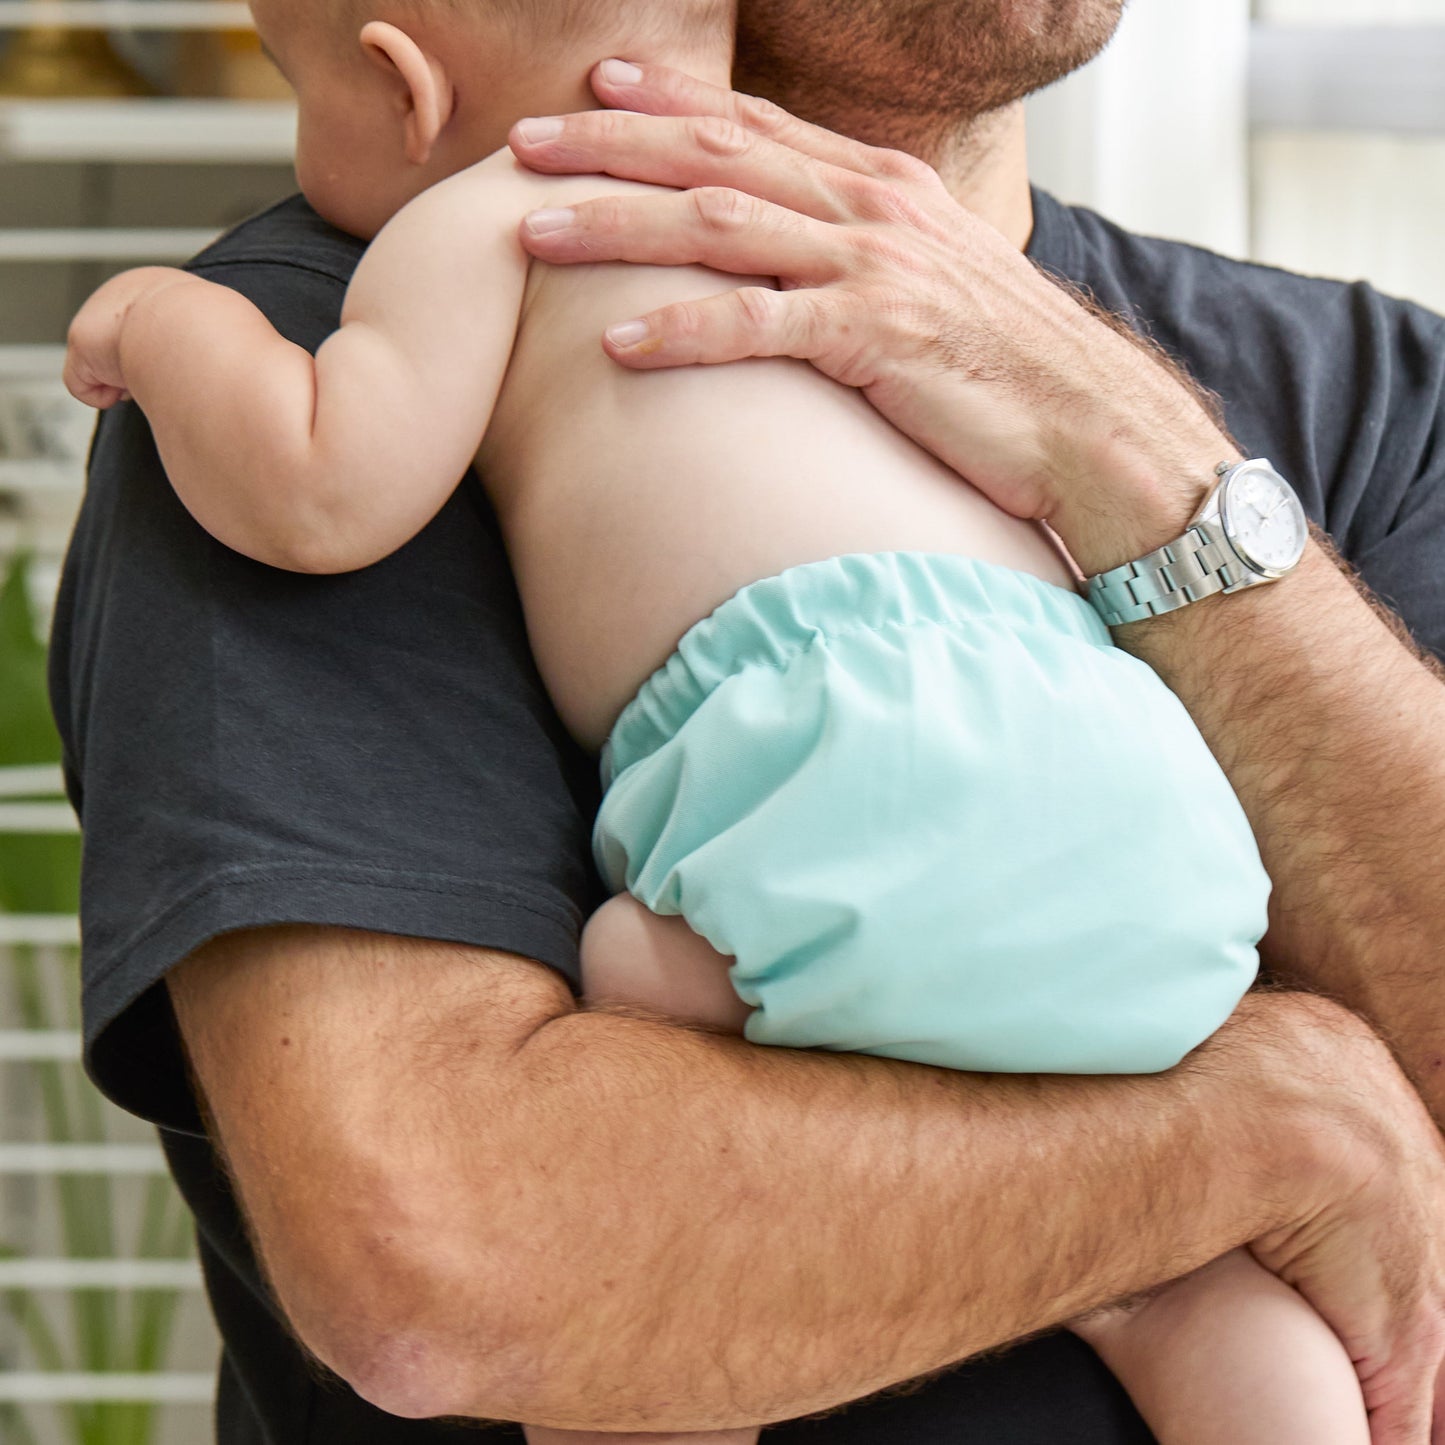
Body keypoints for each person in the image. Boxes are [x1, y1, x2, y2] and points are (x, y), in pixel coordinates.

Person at [46, 2, 1445, 1444]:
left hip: (822, 809)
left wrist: (1143, 468)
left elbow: (323, 484)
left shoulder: (1378, 398)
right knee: (1220, 1313)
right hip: (1170, 896)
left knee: (644, 971)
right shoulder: (312, 314)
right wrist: (1263, 1132)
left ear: (402, 84)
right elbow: (447, 1264)